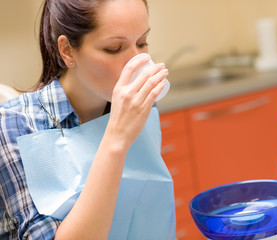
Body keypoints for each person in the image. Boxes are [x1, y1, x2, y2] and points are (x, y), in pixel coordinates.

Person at [0, 0, 170, 239]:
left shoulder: (140, 106)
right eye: (113, 48)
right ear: (67, 50)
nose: (136, 63)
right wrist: (116, 140)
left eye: (142, 43)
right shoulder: (14, 126)